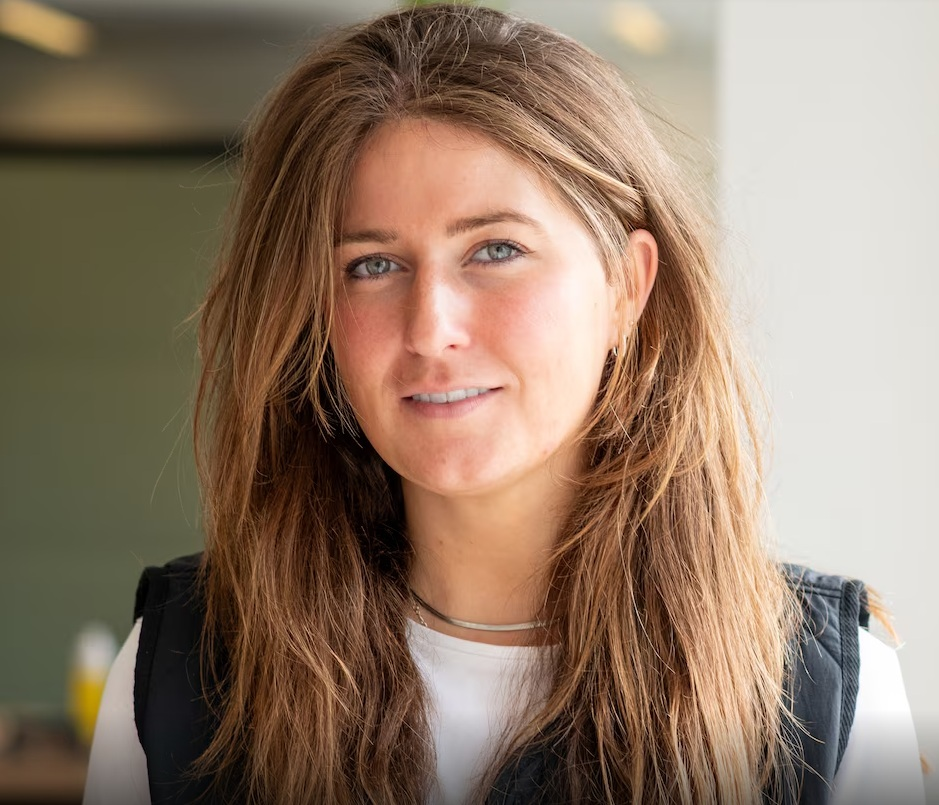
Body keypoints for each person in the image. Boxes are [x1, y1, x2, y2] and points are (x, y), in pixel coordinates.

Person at [84, 4, 924, 804]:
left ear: (626, 286)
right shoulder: (181, 679)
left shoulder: (821, 699)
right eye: (371, 265)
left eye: (494, 250)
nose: (430, 328)